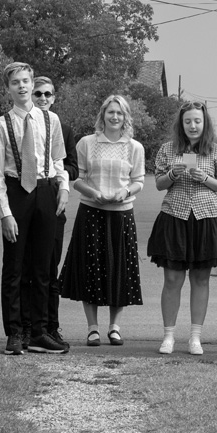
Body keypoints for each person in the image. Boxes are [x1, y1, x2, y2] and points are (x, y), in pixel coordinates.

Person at [0, 62, 71, 355]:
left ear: (32, 83)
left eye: (26, 81)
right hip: (17, 193)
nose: (22, 86)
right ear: (8, 89)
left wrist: (63, 188)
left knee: (43, 266)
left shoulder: (51, 119)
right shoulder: (0, 125)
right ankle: (14, 332)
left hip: (46, 190)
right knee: (14, 267)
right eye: (15, 82)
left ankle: (39, 332)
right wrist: (5, 213)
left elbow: (58, 159)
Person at [149, 100, 217, 355]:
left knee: (200, 278)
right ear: (181, 124)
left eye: (197, 121)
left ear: (205, 123)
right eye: (188, 121)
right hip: (174, 216)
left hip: (207, 218)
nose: (193, 126)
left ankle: (195, 337)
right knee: (172, 279)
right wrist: (172, 175)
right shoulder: (167, 149)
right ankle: (168, 336)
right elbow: (159, 184)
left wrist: (205, 178)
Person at [62, 94, 145, 347]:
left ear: (126, 117)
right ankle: (92, 328)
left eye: (119, 113)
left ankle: (115, 328)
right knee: (91, 270)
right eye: (111, 112)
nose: (115, 117)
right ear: (103, 115)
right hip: (91, 211)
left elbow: (139, 181)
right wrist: (93, 193)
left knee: (119, 270)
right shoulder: (86, 143)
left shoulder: (135, 147)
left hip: (121, 214)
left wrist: (125, 192)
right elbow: (76, 178)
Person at [24, 76, 75, 349]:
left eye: (47, 94)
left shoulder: (62, 128)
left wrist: (59, 177)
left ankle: (51, 327)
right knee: (28, 269)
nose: (43, 98)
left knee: (49, 270)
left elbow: (72, 167)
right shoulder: (22, 124)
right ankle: (29, 327)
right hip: (27, 201)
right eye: (38, 94)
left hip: (54, 202)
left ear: (54, 98)